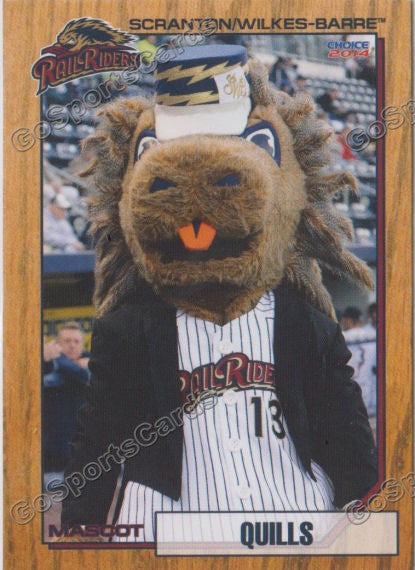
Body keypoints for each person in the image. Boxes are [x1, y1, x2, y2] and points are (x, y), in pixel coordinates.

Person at [61, 45, 376, 541]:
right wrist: (78, 533)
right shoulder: (128, 330)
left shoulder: (305, 321)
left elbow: (346, 431)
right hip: (168, 529)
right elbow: (98, 440)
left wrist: (367, 520)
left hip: (294, 520)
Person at [43, 322, 90, 472]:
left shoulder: (91, 363)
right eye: (67, 341)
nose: (72, 345)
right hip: (54, 456)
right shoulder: (47, 366)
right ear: (57, 345)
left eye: (76, 341)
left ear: (82, 345)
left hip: (84, 454)